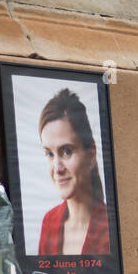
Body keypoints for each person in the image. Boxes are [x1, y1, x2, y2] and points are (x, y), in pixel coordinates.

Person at [36, 88, 111, 255]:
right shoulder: (50, 222)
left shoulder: (111, 228)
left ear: (91, 156)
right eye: (49, 153)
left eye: (67, 151)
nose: (57, 168)